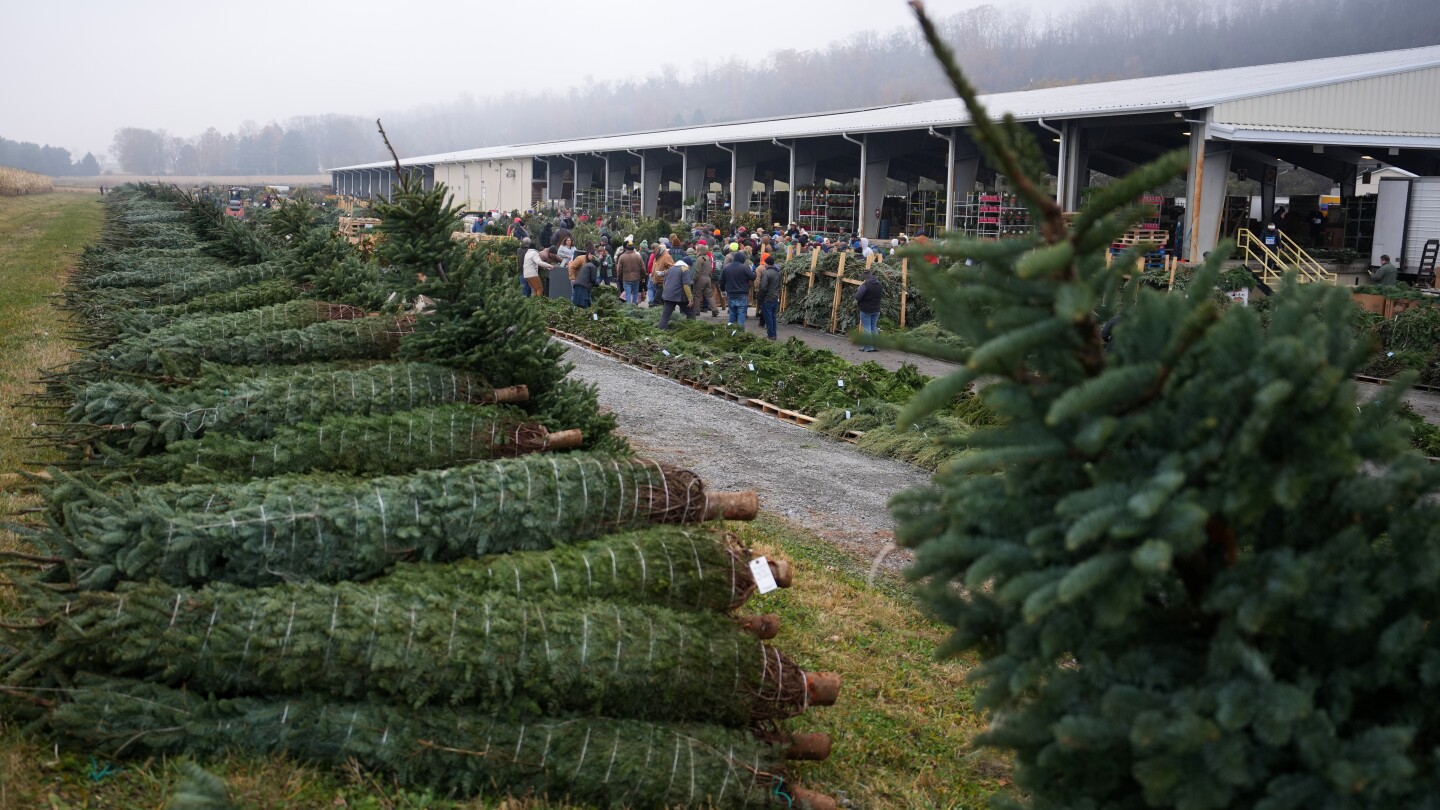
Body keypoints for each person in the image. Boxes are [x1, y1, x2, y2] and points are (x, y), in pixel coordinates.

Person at [721, 250, 757, 327]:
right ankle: (740, 332)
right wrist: (753, 271)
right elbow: (753, 277)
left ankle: (731, 332)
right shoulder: (744, 267)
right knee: (741, 313)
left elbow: (721, 281)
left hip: (731, 293)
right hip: (742, 293)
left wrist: (723, 291)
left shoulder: (726, 268)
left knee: (732, 313)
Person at [657, 258, 694, 329]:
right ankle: (691, 329)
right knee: (691, 313)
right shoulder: (685, 270)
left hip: (668, 296)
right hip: (680, 296)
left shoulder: (671, 268)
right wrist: (690, 298)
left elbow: (665, 282)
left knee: (665, 315)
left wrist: (666, 293)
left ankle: (660, 330)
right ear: (688, 265)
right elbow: (686, 286)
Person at [855, 271, 883, 352]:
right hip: (876, 309)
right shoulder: (879, 284)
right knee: (874, 328)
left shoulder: (865, 286)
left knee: (867, 328)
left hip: (866, 309)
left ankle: (868, 347)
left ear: (865, 277)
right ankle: (876, 347)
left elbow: (858, 297)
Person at [756, 254, 782, 341]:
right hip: (775, 297)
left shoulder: (766, 273)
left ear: (767, 264)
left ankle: (770, 335)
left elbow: (763, 287)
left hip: (767, 298)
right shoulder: (778, 273)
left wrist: (760, 297)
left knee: (768, 317)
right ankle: (774, 334)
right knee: (773, 317)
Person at [692, 242, 719, 317]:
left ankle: (697, 311)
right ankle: (715, 310)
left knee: (696, 295)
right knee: (709, 295)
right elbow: (711, 268)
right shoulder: (708, 258)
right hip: (708, 278)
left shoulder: (699, 259)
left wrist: (694, 279)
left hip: (701, 278)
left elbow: (697, 271)